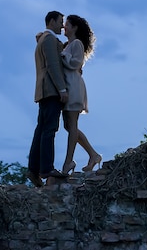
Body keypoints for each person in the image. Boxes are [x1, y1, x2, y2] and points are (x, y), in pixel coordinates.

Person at [26, 11, 70, 187]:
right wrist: (62, 89)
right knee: (50, 130)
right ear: (51, 21)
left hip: (42, 90)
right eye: (60, 22)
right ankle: (46, 168)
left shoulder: (43, 40)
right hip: (51, 90)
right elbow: (52, 66)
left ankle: (33, 169)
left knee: (41, 130)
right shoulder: (50, 39)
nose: (62, 25)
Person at [60, 14, 102, 174]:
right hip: (69, 85)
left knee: (71, 125)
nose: (64, 27)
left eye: (67, 25)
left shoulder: (76, 43)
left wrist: (62, 55)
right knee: (69, 126)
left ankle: (68, 162)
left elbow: (75, 63)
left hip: (74, 87)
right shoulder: (67, 45)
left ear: (74, 28)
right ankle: (93, 154)